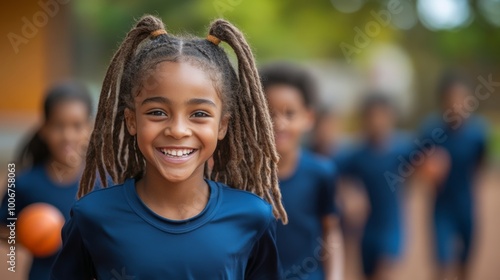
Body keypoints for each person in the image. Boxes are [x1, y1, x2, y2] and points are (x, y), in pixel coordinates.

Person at [51, 15, 287, 280]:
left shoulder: (252, 217)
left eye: (199, 114)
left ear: (223, 125)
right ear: (131, 120)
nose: (177, 130)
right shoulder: (93, 217)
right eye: (157, 112)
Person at [0, 81, 93, 280]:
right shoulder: (23, 185)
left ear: (89, 128)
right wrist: (28, 233)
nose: (67, 135)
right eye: (58, 126)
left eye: (77, 126)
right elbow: (5, 231)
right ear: (44, 129)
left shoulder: (103, 183)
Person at [261, 63, 344, 280]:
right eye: (268, 113)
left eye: (290, 114)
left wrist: (334, 275)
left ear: (308, 118)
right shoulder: (241, 179)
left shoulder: (321, 173)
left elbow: (330, 230)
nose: (279, 123)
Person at [418, 73, 488, 280]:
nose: (456, 104)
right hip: (441, 207)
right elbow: (415, 166)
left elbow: (481, 166)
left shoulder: (478, 133)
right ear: (442, 102)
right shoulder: (431, 131)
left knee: (465, 265)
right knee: (442, 263)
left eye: (461, 98)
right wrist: (427, 168)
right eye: (451, 99)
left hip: (466, 205)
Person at [338, 93, 411, 280]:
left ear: (391, 118)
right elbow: (334, 174)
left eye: (382, 116)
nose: (377, 122)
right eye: (371, 117)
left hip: (391, 228)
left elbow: (428, 160)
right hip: (366, 231)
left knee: (383, 272)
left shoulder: (403, 149)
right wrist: (348, 193)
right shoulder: (356, 155)